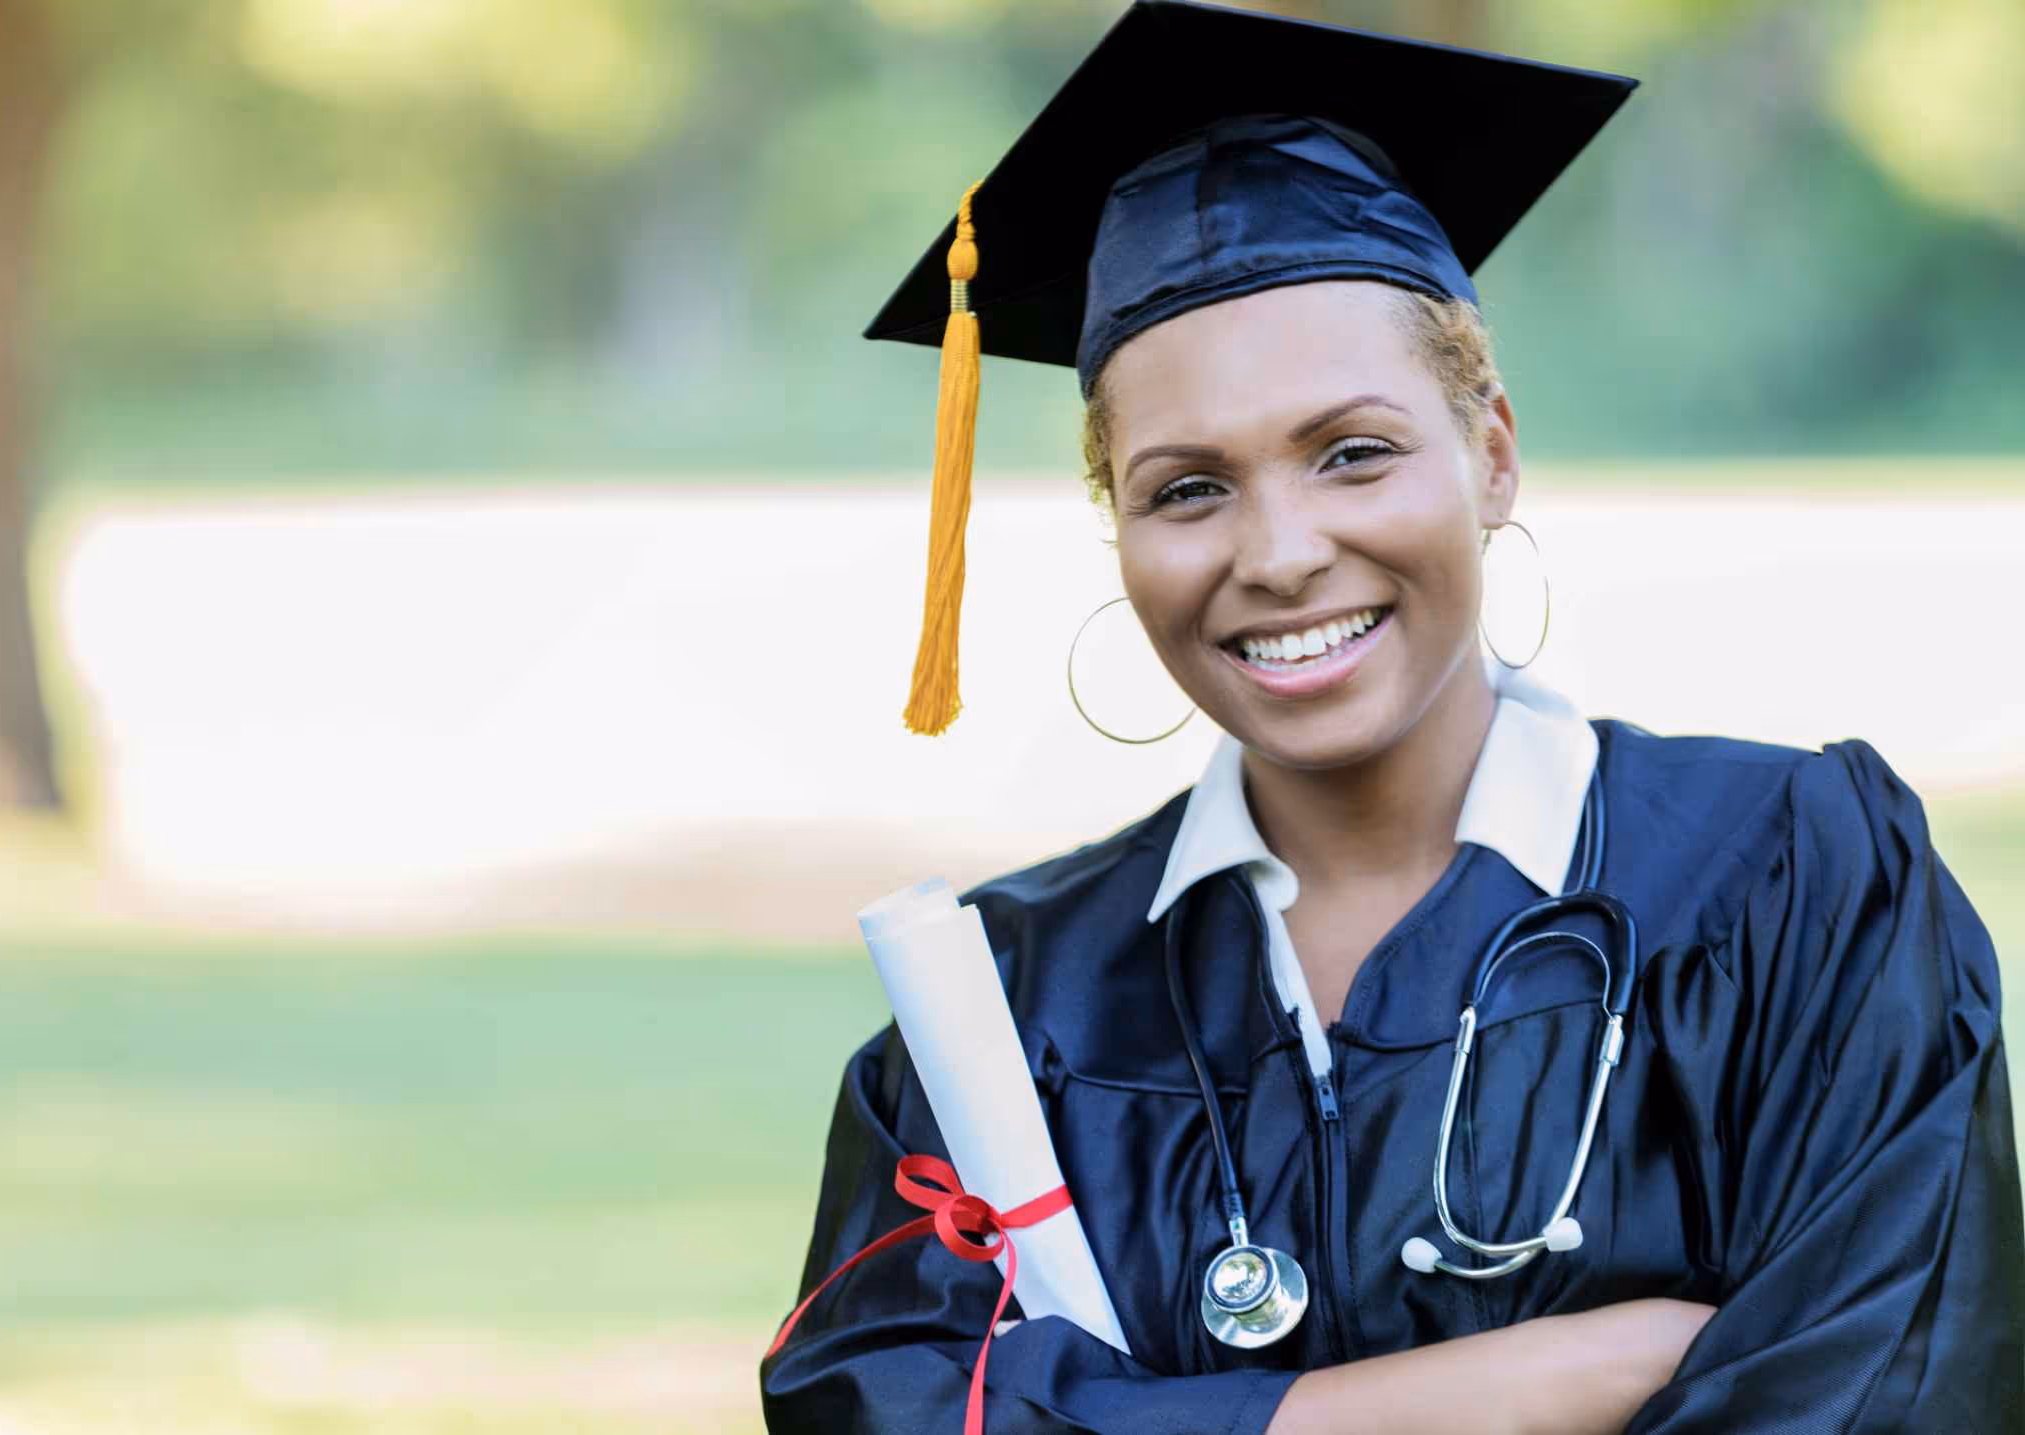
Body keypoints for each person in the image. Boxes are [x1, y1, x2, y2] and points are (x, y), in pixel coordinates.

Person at [759, 4, 2025, 1431]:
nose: (1281, 549)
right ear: (1117, 525)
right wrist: (1497, 1387)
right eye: (1188, 488)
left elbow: (1882, 1393)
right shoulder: (1002, 1014)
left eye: (1353, 454)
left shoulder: (1798, 891)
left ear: (1491, 452)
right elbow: (882, 1403)